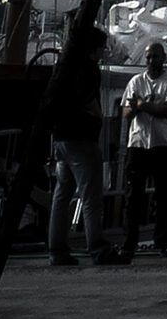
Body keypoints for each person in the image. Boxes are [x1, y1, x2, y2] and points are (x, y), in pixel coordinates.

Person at [47, 20, 119, 267]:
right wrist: (98, 116)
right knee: (90, 196)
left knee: (62, 194)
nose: (103, 53)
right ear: (94, 49)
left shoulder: (65, 66)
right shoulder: (88, 69)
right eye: (102, 48)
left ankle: (56, 248)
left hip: (61, 138)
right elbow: (87, 99)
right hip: (81, 138)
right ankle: (97, 247)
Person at [119, 39, 167, 255]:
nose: (151, 61)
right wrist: (142, 107)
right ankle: (129, 242)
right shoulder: (136, 81)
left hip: (161, 144)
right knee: (133, 196)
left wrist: (142, 105)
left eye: (155, 56)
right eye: (148, 57)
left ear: (163, 58)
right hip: (137, 145)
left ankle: (164, 240)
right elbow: (126, 112)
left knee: (164, 195)